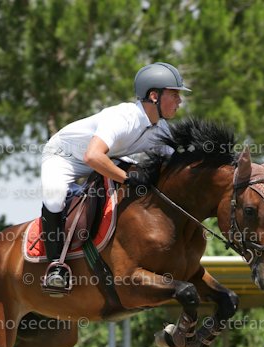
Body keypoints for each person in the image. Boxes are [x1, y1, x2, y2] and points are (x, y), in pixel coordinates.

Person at [40, 62, 191, 292]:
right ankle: (56, 268)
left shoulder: (161, 129)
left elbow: (174, 168)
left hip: (105, 157)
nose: (180, 101)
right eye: (175, 94)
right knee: (54, 198)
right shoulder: (123, 117)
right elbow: (92, 156)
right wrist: (126, 179)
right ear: (154, 96)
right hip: (65, 157)